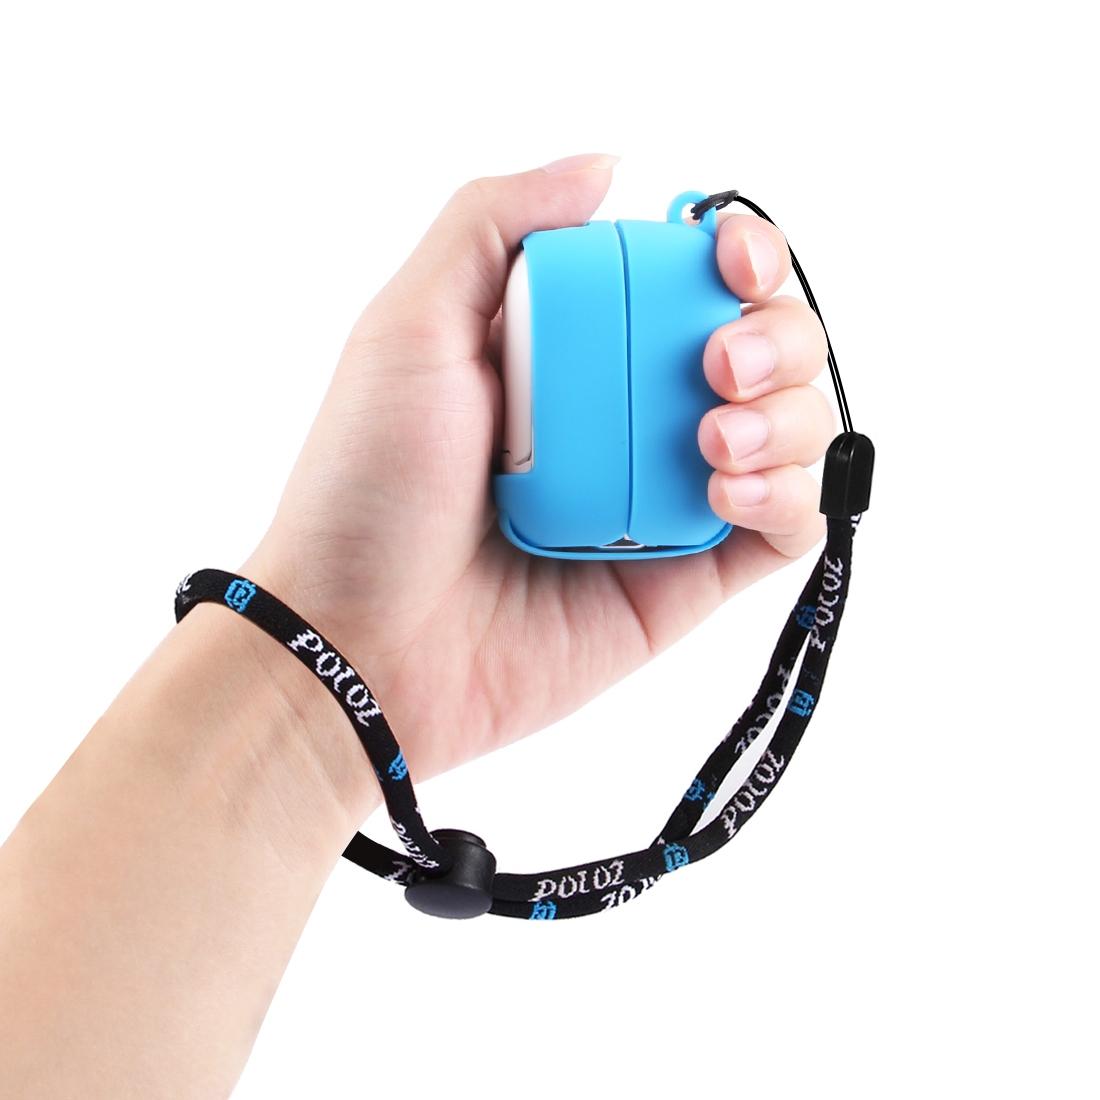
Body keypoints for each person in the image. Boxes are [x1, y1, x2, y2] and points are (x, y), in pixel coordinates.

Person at [0, 154, 835, 1096]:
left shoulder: (556, 270)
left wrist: (308, 716)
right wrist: (320, 689)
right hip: (621, 514)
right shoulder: (598, 272)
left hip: (586, 519)